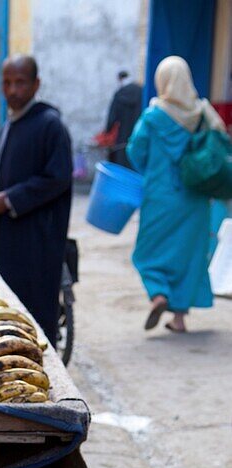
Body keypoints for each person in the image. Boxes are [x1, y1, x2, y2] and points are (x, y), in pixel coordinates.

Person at [0, 55, 73, 346]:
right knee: (2, 309)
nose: (13, 90)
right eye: (7, 83)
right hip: (4, 236)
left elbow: (57, 178)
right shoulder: (11, 124)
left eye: (20, 83)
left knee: (33, 315)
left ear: (35, 84)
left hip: (36, 241)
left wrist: (9, 200)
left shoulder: (49, 125)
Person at [127, 55, 226, 333]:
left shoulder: (154, 116)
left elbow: (136, 151)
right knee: (190, 256)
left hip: (160, 196)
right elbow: (219, 142)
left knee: (146, 253)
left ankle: (158, 294)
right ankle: (179, 319)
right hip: (195, 198)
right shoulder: (202, 113)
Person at [104, 70, 143, 168]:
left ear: (119, 79)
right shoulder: (141, 91)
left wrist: (107, 131)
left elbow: (112, 118)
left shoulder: (119, 93)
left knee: (122, 166)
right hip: (138, 135)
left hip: (123, 137)